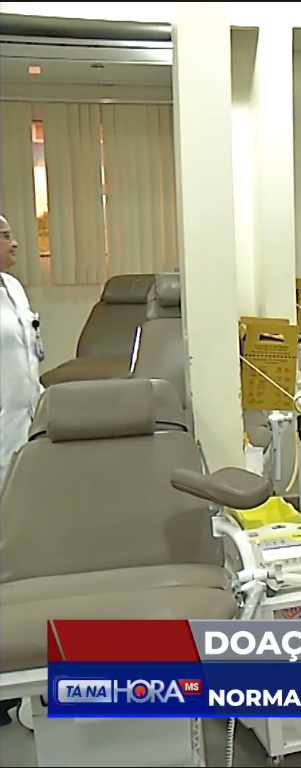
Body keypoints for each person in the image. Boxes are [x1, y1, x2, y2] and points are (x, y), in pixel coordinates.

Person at [0, 214, 40, 728]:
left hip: (23, 428)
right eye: (5, 235)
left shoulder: (12, 287)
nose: (15, 243)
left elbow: (30, 353)